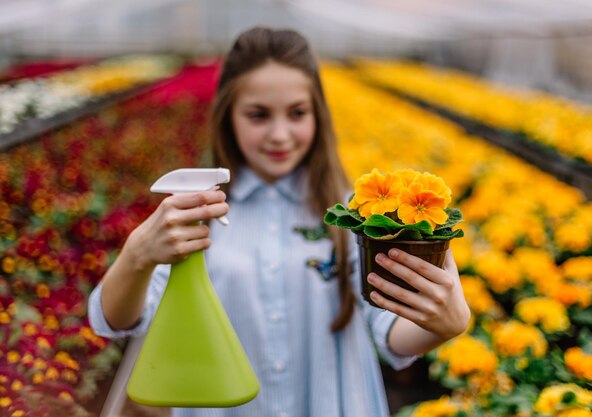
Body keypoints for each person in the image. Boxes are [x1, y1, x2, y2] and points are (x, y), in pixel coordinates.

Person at [88, 27, 470, 417]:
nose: (280, 134)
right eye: (258, 115)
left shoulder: (354, 216)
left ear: (317, 114)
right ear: (228, 116)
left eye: (297, 113)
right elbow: (117, 319)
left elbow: (391, 332)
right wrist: (137, 255)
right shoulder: (195, 212)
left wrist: (442, 324)